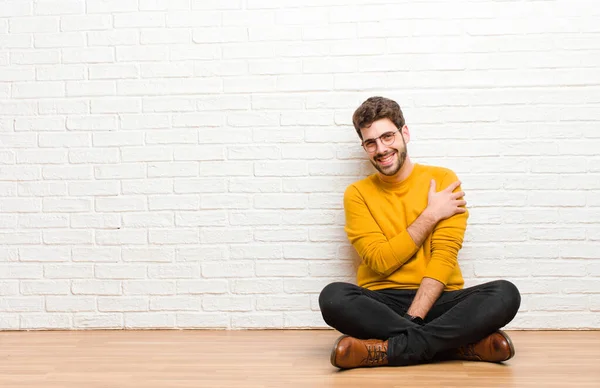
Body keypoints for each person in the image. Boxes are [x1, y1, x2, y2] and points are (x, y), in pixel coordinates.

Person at [319, 96, 521, 369]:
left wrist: (414, 318)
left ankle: (382, 350)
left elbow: (444, 257)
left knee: (505, 294)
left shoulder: (443, 180)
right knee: (333, 297)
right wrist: (430, 215)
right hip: (383, 302)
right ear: (365, 147)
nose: (381, 149)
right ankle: (458, 345)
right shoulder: (357, 194)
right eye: (371, 142)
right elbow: (380, 261)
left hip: (439, 298)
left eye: (388, 136)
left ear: (405, 133)